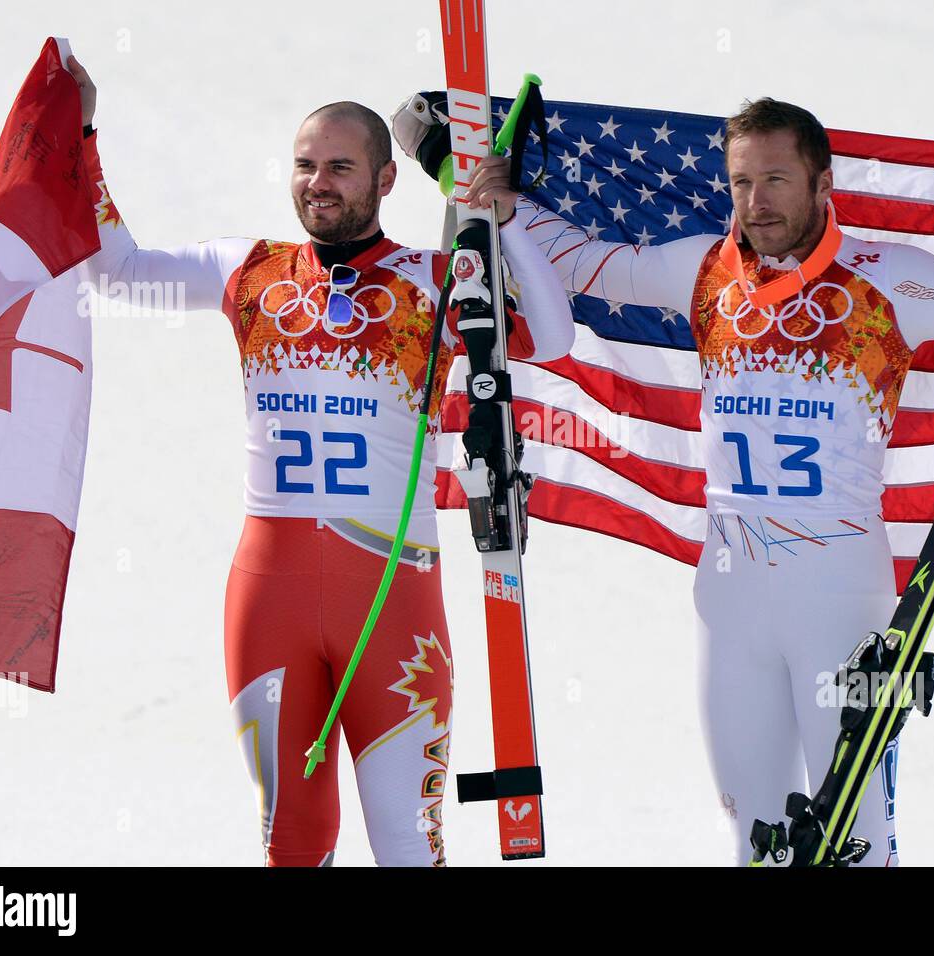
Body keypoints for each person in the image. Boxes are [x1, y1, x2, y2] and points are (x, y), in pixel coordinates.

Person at [401, 95, 934, 865]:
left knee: (854, 841)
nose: (755, 201)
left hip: (839, 599)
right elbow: (584, 264)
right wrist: (473, 188)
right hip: (731, 602)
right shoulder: (706, 272)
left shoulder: (889, 277)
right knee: (757, 836)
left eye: (775, 180)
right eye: (741, 182)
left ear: (823, 183)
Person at [66, 58, 574, 866]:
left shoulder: (433, 283)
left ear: (383, 178)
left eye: (340, 166)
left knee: (412, 846)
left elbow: (551, 335)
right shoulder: (249, 270)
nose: (319, 182)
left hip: (391, 601)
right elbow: (113, 273)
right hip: (269, 597)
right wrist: (79, 137)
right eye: (305, 165)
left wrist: (501, 218)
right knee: (290, 841)